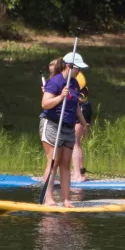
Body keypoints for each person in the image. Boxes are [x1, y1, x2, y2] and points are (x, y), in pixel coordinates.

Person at [40, 52, 89, 207]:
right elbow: (45, 104)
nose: (79, 71)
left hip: (68, 126)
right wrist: (61, 97)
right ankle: (48, 198)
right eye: (78, 68)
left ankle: (66, 199)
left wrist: (83, 122)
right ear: (69, 66)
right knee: (54, 162)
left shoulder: (74, 83)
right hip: (53, 124)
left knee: (65, 164)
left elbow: (76, 105)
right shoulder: (55, 82)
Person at [71, 69, 92, 182]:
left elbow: (76, 98)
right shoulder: (77, 76)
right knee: (76, 142)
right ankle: (79, 170)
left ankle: (77, 175)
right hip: (84, 108)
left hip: (81, 109)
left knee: (74, 142)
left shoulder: (76, 78)